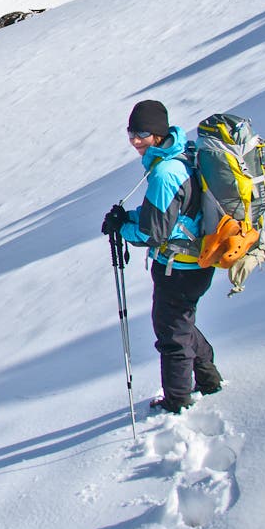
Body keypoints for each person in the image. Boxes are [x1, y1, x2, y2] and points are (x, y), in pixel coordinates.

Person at [101, 99, 222, 413]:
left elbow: (152, 233)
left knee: (171, 334)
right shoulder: (181, 156)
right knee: (180, 322)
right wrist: (128, 217)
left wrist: (123, 227)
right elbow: (170, 214)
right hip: (195, 263)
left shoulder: (164, 172)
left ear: (157, 133)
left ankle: (177, 400)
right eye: (131, 134)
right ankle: (208, 379)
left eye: (141, 133)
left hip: (178, 266)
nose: (136, 141)